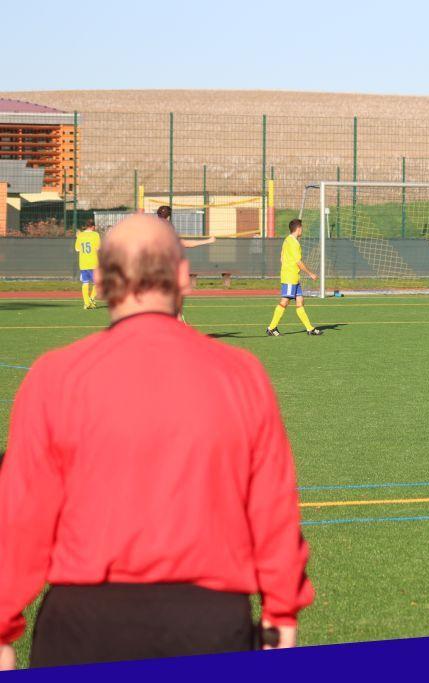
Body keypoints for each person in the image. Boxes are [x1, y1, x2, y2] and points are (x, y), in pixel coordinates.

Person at [0, 215, 313, 669]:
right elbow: (272, 508)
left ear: (101, 281)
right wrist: (282, 610)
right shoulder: (240, 376)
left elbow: (20, 517)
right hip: (209, 623)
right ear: (184, 277)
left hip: (84, 627)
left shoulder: (55, 378)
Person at [267, 219, 321, 336]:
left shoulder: (287, 240)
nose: (302, 230)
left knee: (300, 301)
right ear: (298, 229)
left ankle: (310, 328)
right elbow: (298, 262)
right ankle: (271, 328)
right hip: (290, 277)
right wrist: (310, 273)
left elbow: (281, 257)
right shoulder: (294, 243)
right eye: (301, 228)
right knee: (284, 302)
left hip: (293, 276)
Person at [74, 219, 101, 309]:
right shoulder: (95, 235)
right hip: (93, 262)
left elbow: (77, 249)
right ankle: (92, 298)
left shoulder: (80, 235)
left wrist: (78, 237)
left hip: (83, 263)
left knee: (85, 283)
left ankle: (86, 303)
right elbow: (98, 248)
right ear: (93, 226)